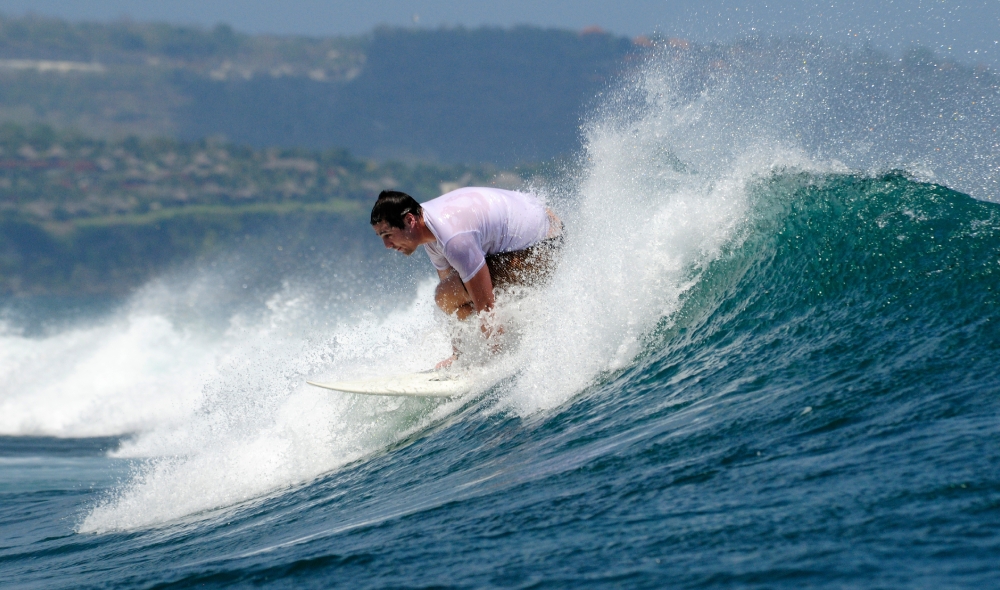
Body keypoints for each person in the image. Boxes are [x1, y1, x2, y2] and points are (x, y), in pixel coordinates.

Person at [370, 186, 563, 367]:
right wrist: (459, 354)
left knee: (450, 296)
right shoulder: (428, 227)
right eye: (381, 237)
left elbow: (485, 306)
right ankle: (487, 343)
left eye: (388, 234)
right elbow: (452, 298)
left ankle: (500, 347)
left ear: (410, 220)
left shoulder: (454, 239)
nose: (387, 245)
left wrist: (495, 364)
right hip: (543, 228)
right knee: (450, 295)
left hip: (545, 247)